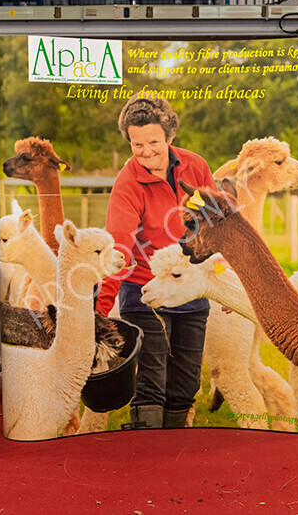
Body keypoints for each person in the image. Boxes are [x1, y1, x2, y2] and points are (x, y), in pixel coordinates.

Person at [95, 95, 216, 430]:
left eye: (153, 142)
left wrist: (226, 282)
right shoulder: (127, 183)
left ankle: (177, 453)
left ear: (169, 137)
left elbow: (216, 225)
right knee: (152, 382)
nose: (146, 151)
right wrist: (101, 306)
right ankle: (148, 451)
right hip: (144, 289)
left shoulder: (196, 167)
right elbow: (118, 245)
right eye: (137, 144)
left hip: (190, 289)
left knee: (186, 385)